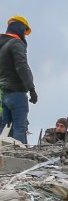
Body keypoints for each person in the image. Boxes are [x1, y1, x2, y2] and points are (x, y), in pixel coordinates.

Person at [0, 15, 37, 144]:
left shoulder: (2, 45)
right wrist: (31, 89)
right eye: (24, 30)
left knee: (4, 128)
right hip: (17, 92)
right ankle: (19, 155)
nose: (24, 35)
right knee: (19, 128)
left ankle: (3, 154)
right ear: (19, 27)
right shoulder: (16, 43)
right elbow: (22, 66)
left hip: (5, 93)